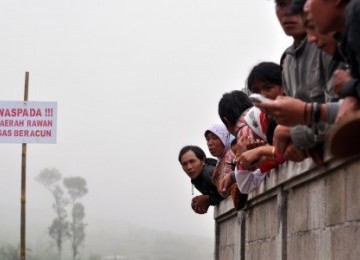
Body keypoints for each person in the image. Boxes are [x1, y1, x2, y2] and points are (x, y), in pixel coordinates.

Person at [178, 145, 223, 214]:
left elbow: (228, 195)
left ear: (203, 161)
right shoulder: (197, 179)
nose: (189, 167)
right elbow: (217, 197)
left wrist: (207, 199)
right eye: (184, 164)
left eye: (192, 161)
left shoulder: (211, 173)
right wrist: (205, 202)